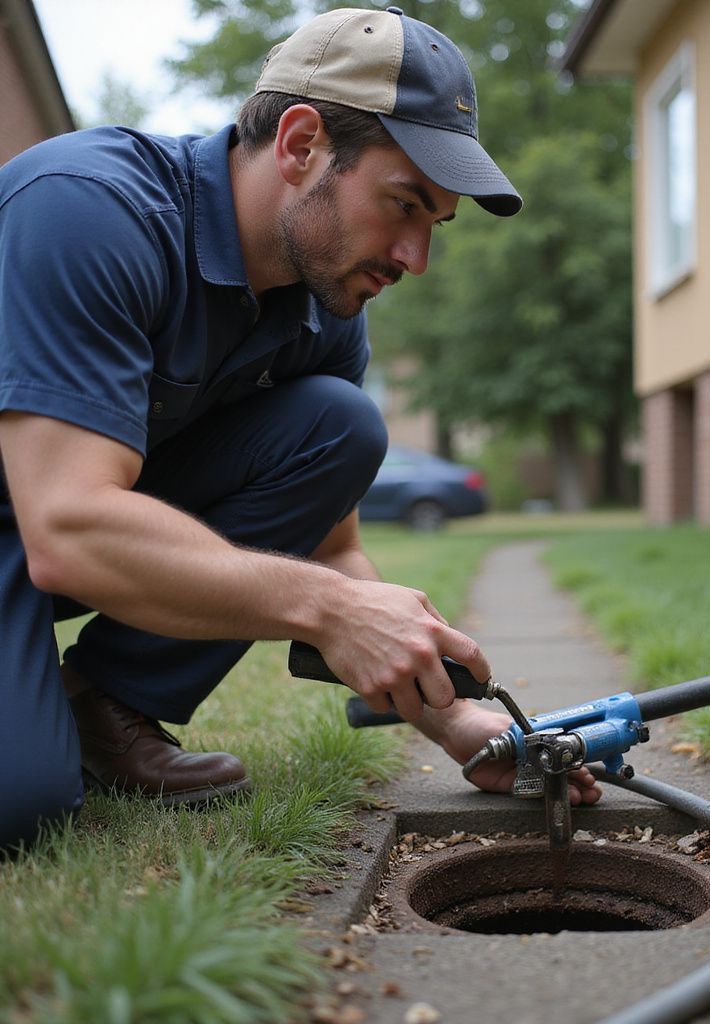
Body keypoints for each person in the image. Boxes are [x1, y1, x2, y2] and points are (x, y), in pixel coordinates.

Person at [0, 6, 600, 851]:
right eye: (404, 204)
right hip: (47, 518)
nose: (416, 258)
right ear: (300, 143)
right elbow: (66, 529)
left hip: (61, 525)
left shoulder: (324, 310)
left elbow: (334, 549)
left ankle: (107, 704)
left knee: (341, 423)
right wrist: (328, 613)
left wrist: (460, 723)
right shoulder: (89, 210)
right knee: (20, 805)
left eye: (435, 223)